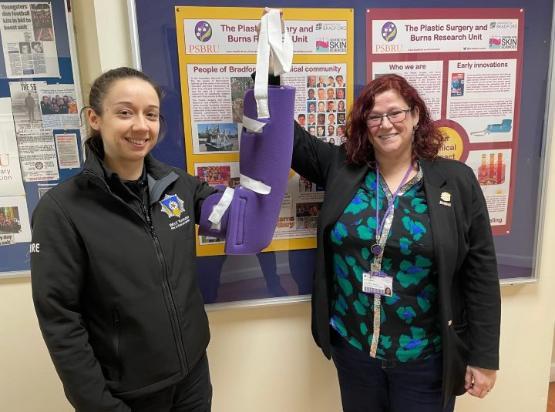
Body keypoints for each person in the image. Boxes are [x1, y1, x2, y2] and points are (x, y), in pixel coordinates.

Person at [32, 67, 274, 412]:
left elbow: (246, 222)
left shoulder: (179, 185)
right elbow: (60, 321)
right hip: (129, 393)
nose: (141, 126)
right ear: (94, 118)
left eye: (151, 114)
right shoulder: (61, 210)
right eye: (125, 112)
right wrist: (98, 405)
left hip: (191, 377)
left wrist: (271, 96)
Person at [288, 73, 500, 411]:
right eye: (374, 116)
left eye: (395, 113)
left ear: (415, 115)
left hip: (424, 357)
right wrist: (267, 75)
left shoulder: (456, 181)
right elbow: (290, 140)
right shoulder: (342, 167)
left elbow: (481, 273)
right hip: (355, 351)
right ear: (364, 124)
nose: (385, 124)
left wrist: (484, 357)